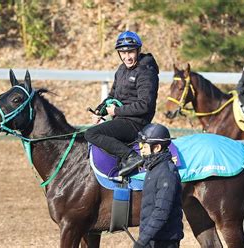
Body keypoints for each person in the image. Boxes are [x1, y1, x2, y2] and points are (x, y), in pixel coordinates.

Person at [85, 31, 159, 176]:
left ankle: (131, 156)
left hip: (136, 123)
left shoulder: (146, 72)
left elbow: (145, 105)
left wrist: (116, 112)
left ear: (138, 50)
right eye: (122, 53)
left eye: (130, 52)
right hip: (122, 119)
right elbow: (112, 96)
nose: (127, 57)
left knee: (91, 133)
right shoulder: (121, 70)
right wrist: (100, 111)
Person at [133, 123, 183, 248]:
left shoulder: (167, 173)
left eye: (144, 146)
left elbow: (161, 211)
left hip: (165, 241)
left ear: (157, 148)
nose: (141, 149)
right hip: (152, 238)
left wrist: (141, 241)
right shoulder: (153, 168)